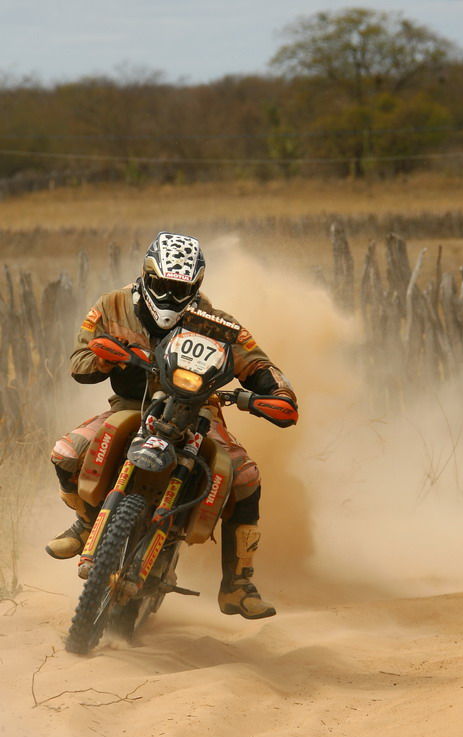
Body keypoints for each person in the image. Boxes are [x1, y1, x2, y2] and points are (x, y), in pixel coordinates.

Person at [46, 232, 297, 620]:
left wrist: (276, 392)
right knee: (65, 453)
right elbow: (79, 360)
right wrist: (107, 358)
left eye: (180, 288)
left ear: (195, 286)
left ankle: (238, 584)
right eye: (162, 285)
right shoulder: (111, 305)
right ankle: (85, 522)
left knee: (246, 477)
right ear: (147, 276)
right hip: (130, 405)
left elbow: (257, 362)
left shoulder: (219, 324)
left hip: (201, 411)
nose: (169, 295)